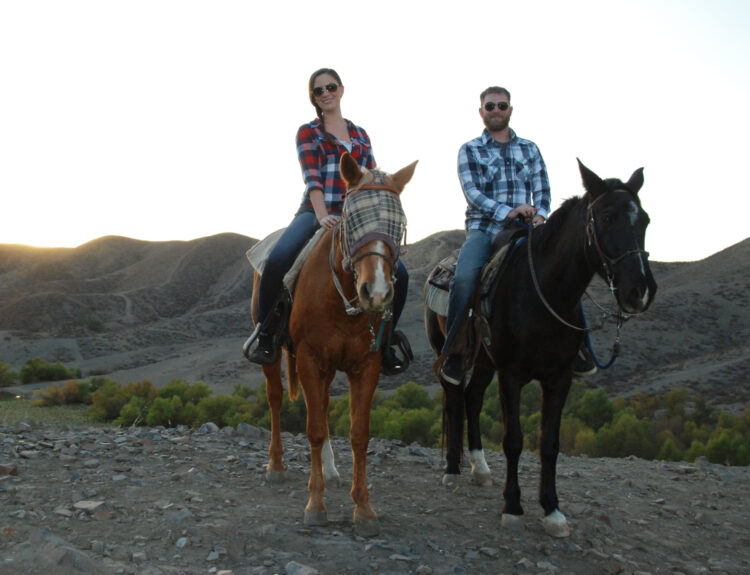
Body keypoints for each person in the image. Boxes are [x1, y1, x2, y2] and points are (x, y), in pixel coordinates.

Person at [246, 68, 410, 374]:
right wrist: (322, 215)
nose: (325, 93)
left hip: (355, 215)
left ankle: (386, 342)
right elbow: (313, 179)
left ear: (341, 90)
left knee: (400, 272)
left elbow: (369, 178)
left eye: (330, 87)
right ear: (314, 98)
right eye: (318, 91)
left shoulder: (360, 134)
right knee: (279, 258)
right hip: (315, 210)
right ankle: (266, 335)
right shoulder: (308, 132)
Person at [439, 86, 595, 385]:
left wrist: (540, 214)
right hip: (485, 228)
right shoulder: (470, 149)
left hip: (528, 228)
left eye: (501, 105)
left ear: (510, 110)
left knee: (565, 272)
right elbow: (472, 193)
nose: (496, 110)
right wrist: (507, 211)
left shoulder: (530, 148)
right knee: (465, 277)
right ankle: (456, 352)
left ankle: (579, 347)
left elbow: (543, 188)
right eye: (490, 106)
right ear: (481, 112)